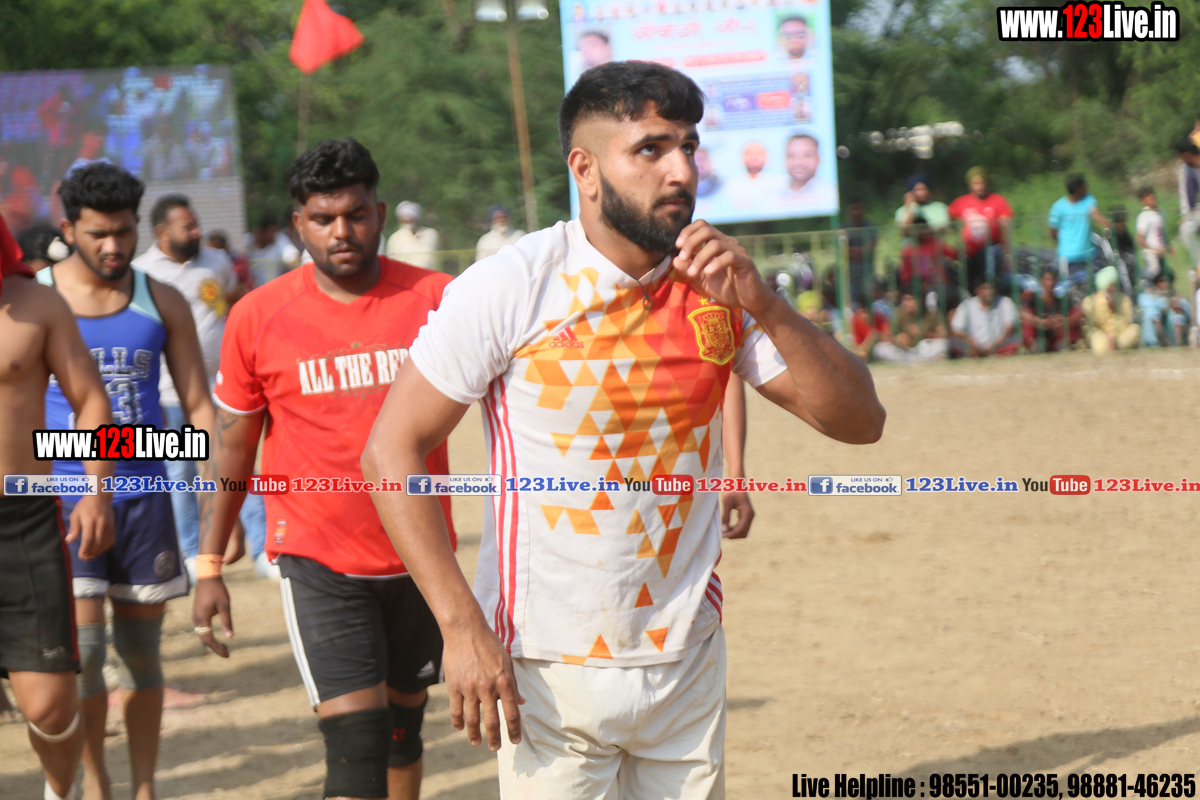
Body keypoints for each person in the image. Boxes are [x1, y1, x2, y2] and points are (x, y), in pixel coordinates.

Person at [360, 61, 885, 799]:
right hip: (546, 665)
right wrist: (461, 627)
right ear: (585, 168)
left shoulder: (718, 285)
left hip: (688, 659)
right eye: (650, 149)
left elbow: (861, 423)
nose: (681, 171)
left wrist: (766, 304)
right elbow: (391, 450)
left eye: (688, 147)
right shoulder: (514, 284)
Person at [192, 138, 458, 800]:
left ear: (380, 213)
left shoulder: (440, 300)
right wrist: (209, 563)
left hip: (422, 556)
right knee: (356, 747)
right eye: (323, 218)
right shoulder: (257, 317)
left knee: (403, 733)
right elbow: (233, 447)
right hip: (319, 560)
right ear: (298, 224)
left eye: (356, 214)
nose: (342, 231)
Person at [41, 162, 216, 800]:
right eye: (97, 234)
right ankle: (97, 786)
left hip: (145, 501)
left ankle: (144, 787)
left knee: (141, 655)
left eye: (122, 231)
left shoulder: (161, 299)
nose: (112, 246)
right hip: (63, 504)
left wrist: (215, 498)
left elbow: (198, 408)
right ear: (68, 230)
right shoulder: (36, 297)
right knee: (85, 654)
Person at [1, 210, 115, 800]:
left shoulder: (38, 305)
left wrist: (96, 491)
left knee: (49, 705)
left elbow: (91, 399)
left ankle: (58, 791)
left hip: (22, 520)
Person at [132, 194, 266, 580]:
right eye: (187, 227)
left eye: (196, 225)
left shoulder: (216, 261)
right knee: (181, 473)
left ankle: (262, 548)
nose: (196, 232)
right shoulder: (141, 273)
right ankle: (192, 553)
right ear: (162, 233)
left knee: (238, 464)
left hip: (224, 387)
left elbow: (233, 298)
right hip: (169, 394)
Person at [947, 167, 1013, 288]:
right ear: (970, 185)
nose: (979, 187)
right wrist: (957, 231)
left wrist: (1007, 255)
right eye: (976, 183)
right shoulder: (962, 202)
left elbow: (1006, 227)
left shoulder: (997, 200)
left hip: (991, 249)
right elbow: (946, 217)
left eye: (981, 183)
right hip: (969, 252)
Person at [1048, 175, 1110, 281]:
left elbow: (1095, 213)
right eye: (1084, 186)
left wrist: (1106, 223)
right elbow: (1052, 230)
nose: (1086, 188)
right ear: (1077, 189)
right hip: (1068, 257)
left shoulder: (1087, 199)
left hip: (1088, 254)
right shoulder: (1059, 207)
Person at [949, 278, 1019, 357]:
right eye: (985, 288)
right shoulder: (967, 305)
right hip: (972, 347)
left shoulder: (1005, 302)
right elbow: (956, 329)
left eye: (992, 288)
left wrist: (993, 346)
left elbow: (1009, 329)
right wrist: (970, 342)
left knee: (1015, 341)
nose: (989, 292)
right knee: (952, 343)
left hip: (1000, 345)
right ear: (977, 291)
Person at [1020, 267, 1080, 353]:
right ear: (1041, 281)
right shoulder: (1034, 301)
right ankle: (1034, 346)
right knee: (1027, 325)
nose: (1051, 283)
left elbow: (1078, 312)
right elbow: (1023, 313)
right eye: (1047, 280)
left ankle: (1066, 344)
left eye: (1053, 279)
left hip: (1058, 335)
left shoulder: (1063, 301)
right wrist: (1041, 322)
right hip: (1041, 335)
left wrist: (1066, 321)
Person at [1082, 265, 1139, 354]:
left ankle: (1116, 346)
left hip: (1120, 336)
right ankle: (1108, 347)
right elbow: (1092, 325)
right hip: (1102, 334)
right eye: (1109, 286)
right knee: (1095, 338)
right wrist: (1108, 334)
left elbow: (1127, 322)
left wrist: (1116, 307)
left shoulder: (1124, 300)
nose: (1113, 288)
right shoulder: (1090, 301)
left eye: (1114, 285)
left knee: (1135, 329)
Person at [779, 133, 836, 208]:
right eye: (791, 156)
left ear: (818, 158)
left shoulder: (832, 193)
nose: (798, 162)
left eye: (807, 155)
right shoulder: (770, 196)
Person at [245, 213, 301, 286]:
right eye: (271, 231)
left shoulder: (279, 239)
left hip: (276, 288)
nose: (273, 235)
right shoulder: (248, 242)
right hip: (253, 289)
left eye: (275, 231)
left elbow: (293, 257)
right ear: (261, 231)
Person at [386, 201, 441, 271]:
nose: (407, 220)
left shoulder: (431, 234)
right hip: (405, 277)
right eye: (403, 218)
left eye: (410, 217)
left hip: (431, 275)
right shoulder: (395, 238)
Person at [1135, 187, 1172, 283]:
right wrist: (1155, 249)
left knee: (1168, 277)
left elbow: (1162, 232)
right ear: (1142, 201)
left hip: (1161, 254)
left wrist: (1168, 247)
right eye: (1147, 195)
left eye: (1151, 193)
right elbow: (1140, 239)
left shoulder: (1160, 212)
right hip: (1151, 255)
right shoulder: (1144, 216)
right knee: (1156, 277)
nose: (1151, 196)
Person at [844, 198, 876, 308]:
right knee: (853, 307)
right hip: (850, 276)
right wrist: (863, 250)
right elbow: (843, 252)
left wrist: (852, 250)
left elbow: (871, 248)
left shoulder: (870, 227)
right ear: (849, 210)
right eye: (853, 209)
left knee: (868, 305)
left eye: (858, 208)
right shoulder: (844, 228)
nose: (856, 212)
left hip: (867, 274)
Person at [1174, 140, 1200, 272]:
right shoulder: (1186, 171)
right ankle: (1198, 264)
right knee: (1186, 228)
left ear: (1186, 155)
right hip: (1196, 212)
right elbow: (1187, 198)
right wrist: (1186, 215)